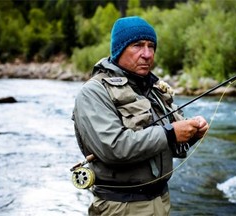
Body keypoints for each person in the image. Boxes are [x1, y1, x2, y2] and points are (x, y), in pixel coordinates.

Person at [72, 16, 209, 216]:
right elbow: (114, 148)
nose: (147, 54)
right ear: (118, 50)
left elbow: (173, 146)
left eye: (151, 46)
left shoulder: (154, 89)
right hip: (120, 207)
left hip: (161, 201)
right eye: (137, 45)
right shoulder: (93, 92)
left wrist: (192, 133)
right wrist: (171, 134)